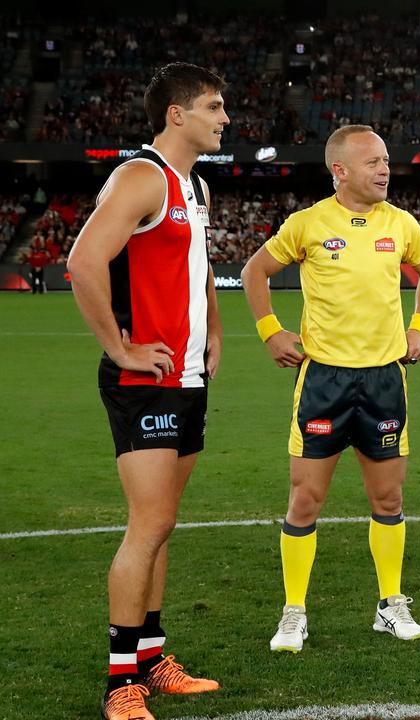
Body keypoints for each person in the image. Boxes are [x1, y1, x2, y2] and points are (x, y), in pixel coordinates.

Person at [241, 125, 420, 653]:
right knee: (305, 500)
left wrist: (419, 326)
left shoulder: (400, 223)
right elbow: (254, 272)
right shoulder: (307, 224)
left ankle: (390, 604)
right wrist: (271, 331)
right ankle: (293, 612)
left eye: (386, 160)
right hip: (324, 379)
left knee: (389, 496)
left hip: (384, 379)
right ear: (341, 171)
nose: (385, 169)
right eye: (373, 162)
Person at [66, 62, 228, 720]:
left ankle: (151, 659)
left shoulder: (197, 185)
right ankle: (118, 685)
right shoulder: (141, 176)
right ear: (177, 115)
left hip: (185, 376)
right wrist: (119, 346)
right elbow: (83, 261)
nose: (225, 119)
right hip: (144, 381)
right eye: (215, 107)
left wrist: (215, 330)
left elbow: (200, 266)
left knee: (163, 527)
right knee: (149, 524)